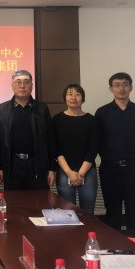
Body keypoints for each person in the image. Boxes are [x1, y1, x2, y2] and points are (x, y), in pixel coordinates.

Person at [95, 72, 135, 231]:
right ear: (111, 89)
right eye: (117, 85)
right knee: (112, 213)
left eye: (125, 84)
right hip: (110, 170)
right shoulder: (102, 113)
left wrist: (131, 159)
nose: (122, 88)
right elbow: (98, 141)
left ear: (131, 87)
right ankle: (114, 245)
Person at [0, 70, 56, 190]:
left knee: (39, 200)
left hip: (37, 165)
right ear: (12, 86)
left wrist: (51, 168)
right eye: (18, 82)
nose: (22, 86)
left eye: (26, 82)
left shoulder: (42, 108)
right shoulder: (3, 109)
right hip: (12, 166)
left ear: (31, 86)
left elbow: (50, 140)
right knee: (13, 201)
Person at [52, 84, 98, 214]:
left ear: (83, 99)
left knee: (87, 212)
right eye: (70, 94)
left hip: (88, 171)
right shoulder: (57, 120)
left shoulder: (91, 120)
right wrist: (69, 172)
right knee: (67, 212)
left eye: (77, 94)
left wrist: (80, 174)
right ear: (65, 98)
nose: (73, 97)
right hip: (64, 171)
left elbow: (93, 148)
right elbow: (56, 148)